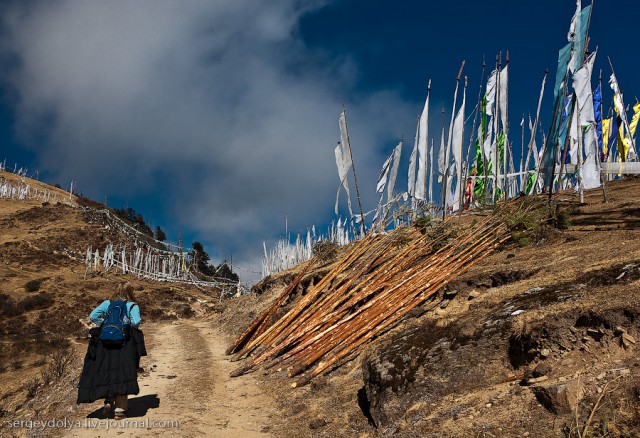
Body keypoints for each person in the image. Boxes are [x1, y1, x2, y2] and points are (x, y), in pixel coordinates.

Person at [77, 282, 145, 420]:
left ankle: (108, 401)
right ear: (130, 291)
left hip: (105, 343)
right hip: (124, 344)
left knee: (108, 371)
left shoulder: (108, 303)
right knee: (123, 374)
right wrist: (124, 326)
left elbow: (93, 315)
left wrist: (106, 325)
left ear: (116, 291)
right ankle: (119, 410)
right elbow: (136, 322)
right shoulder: (132, 305)